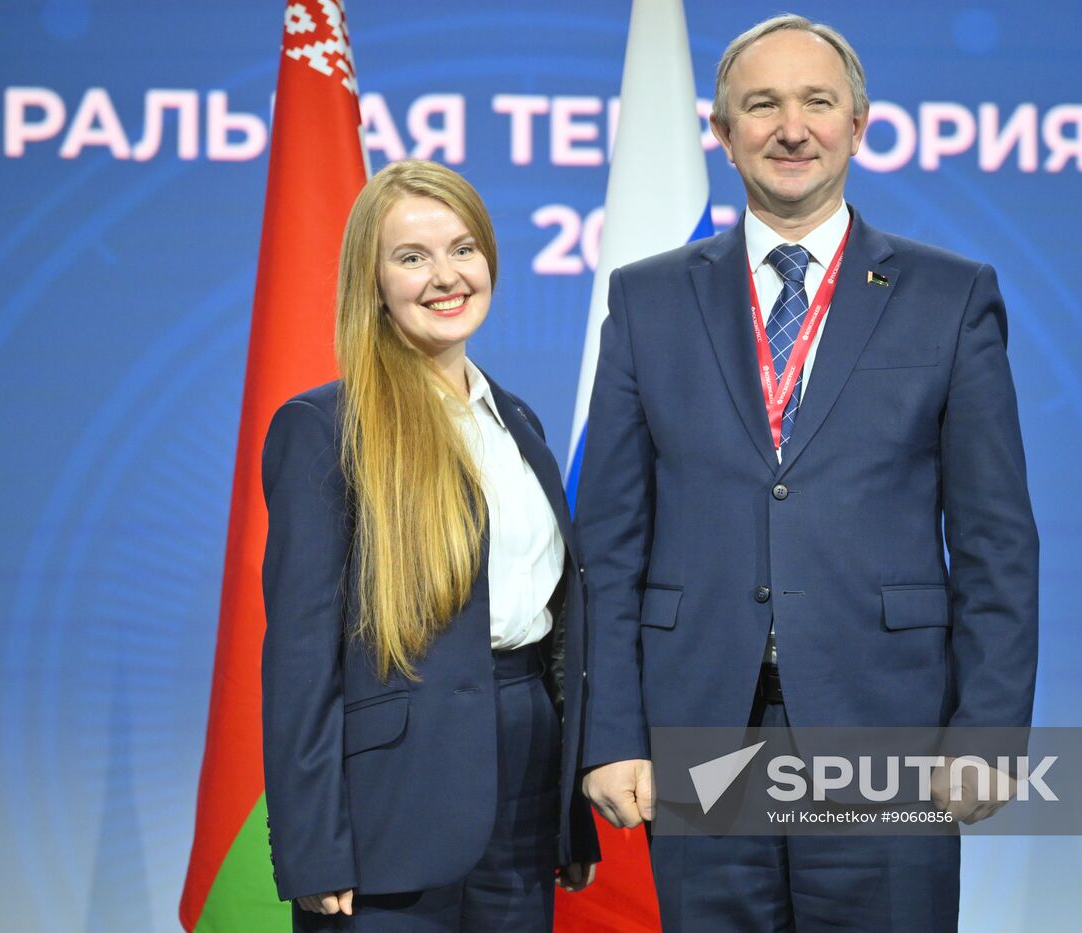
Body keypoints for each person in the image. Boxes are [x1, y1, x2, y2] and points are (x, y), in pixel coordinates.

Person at [576, 14, 1038, 931]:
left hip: (889, 727)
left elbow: (995, 540)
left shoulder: (951, 296)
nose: (792, 127)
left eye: (817, 103)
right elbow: (609, 543)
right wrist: (613, 733)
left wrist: (987, 732)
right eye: (763, 105)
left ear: (857, 125)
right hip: (703, 723)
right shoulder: (647, 297)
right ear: (722, 132)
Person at [260, 159, 599, 931]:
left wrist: (569, 815)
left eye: (462, 248)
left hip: (524, 796)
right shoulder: (324, 430)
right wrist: (312, 846)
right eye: (412, 257)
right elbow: (300, 659)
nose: (445, 275)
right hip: (390, 818)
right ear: (372, 280)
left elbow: (553, 626)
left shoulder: (519, 424)